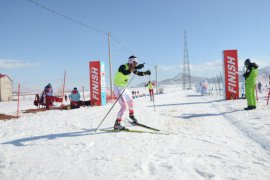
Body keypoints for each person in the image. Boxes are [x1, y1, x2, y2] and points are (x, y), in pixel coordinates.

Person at [113, 55, 151, 130]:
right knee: (124, 107)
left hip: (124, 88)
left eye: (136, 64)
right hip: (118, 88)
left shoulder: (132, 68)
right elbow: (125, 72)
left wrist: (146, 73)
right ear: (131, 62)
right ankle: (117, 124)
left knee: (130, 102)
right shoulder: (122, 67)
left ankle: (131, 116)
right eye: (135, 63)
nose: (136, 65)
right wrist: (136, 68)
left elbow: (139, 73)